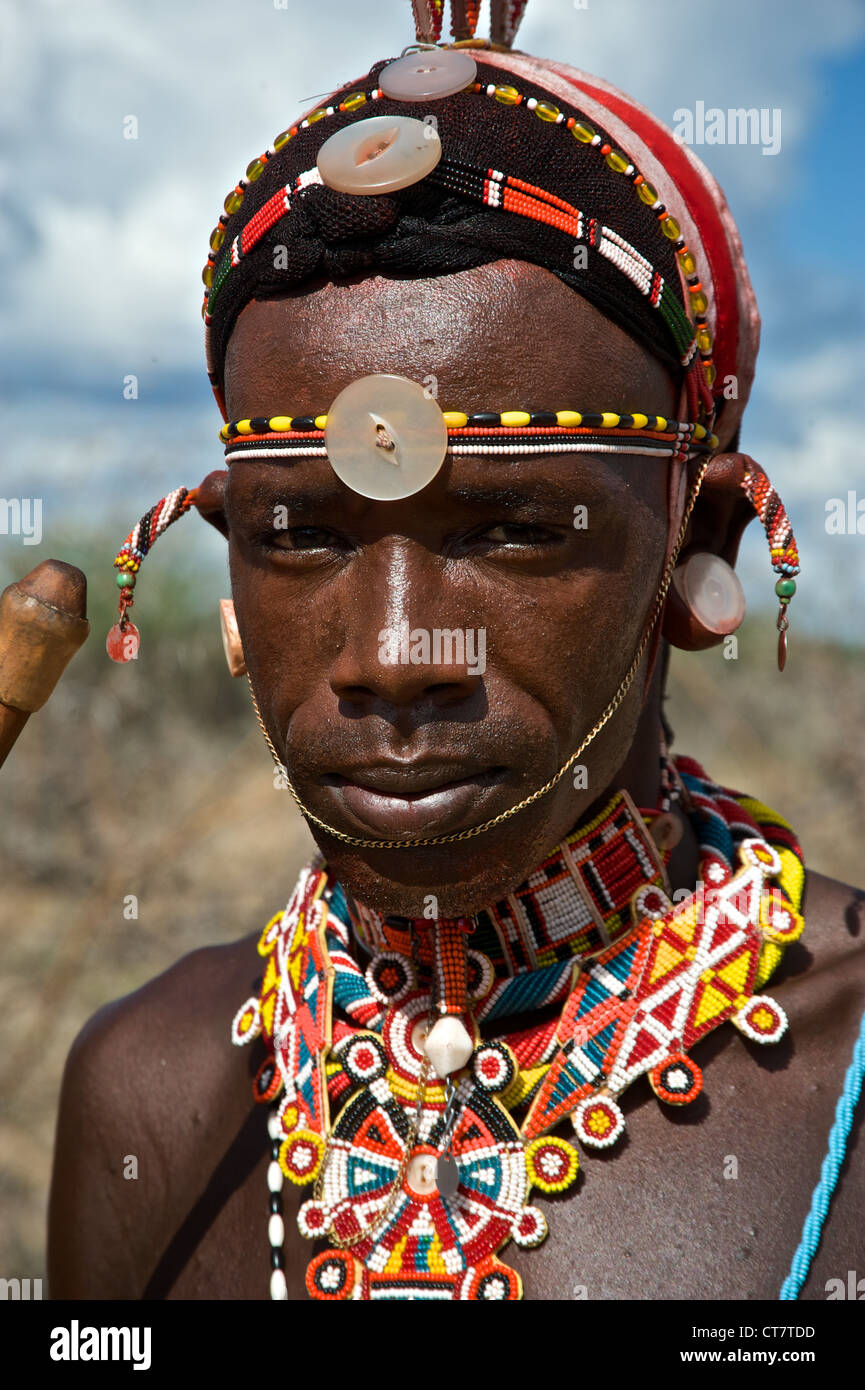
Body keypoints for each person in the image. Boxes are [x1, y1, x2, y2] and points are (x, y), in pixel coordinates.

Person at [48, 8, 865, 1302]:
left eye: (515, 527)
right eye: (300, 531)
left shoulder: (851, 1073)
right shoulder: (149, 1083)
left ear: (693, 549)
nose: (391, 652)